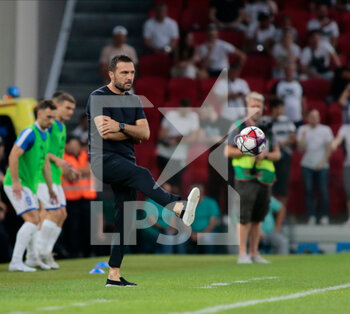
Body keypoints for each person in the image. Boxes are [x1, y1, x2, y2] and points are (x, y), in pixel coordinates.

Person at [86, 55, 200, 286]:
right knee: (142, 174)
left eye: (131, 73)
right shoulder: (97, 97)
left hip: (125, 160)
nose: (129, 77)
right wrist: (131, 131)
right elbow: (105, 133)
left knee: (125, 220)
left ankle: (113, 275)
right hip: (104, 160)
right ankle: (177, 205)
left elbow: (145, 134)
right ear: (111, 74)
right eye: (123, 73)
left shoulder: (134, 100)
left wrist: (119, 126)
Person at [225, 92, 281, 264]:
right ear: (247, 107)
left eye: (259, 106)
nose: (256, 109)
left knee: (258, 218)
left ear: (263, 108)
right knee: (244, 216)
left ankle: (254, 253)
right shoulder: (238, 127)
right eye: (253, 106)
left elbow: (278, 155)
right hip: (245, 177)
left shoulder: (269, 127)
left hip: (265, 177)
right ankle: (242, 254)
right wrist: (248, 149)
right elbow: (228, 151)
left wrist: (265, 156)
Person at [3, 100, 58, 272]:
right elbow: (13, 155)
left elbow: (45, 165)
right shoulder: (29, 133)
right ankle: (16, 261)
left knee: (37, 219)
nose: (51, 121)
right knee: (33, 219)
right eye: (48, 117)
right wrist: (16, 182)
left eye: (53, 118)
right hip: (17, 184)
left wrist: (50, 189)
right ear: (39, 114)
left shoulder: (46, 135)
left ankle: (33, 259)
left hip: (30, 185)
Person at [34, 92, 77, 270]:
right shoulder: (49, 126)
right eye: (67, 108)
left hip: (55, 176)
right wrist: (59, 161)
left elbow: (56, 154)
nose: (70, 112)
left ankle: (46, 251)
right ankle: (36, 253)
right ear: (56, 106)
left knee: (61, 214)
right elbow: (42, 151)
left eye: (72, 109)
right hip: (43, 176)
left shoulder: (62, 127)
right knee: (48, 214)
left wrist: (66, 168)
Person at [61, 136, 97, 257]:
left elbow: (93, 169)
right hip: (71, 199)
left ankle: (88, 252)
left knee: (89, 227)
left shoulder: (85, 155)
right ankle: (73, 252)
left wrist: (75, 171)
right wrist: (82, 170)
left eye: (77, 145)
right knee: (73, 228)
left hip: (87, 197)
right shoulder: (62, 157)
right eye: (72, 145)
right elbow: (69, 175)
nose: (75, 147)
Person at [297, 109, 334, 226]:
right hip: (307, 165)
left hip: (322, 165)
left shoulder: (325, 130)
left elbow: (329, 148)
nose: (315, 118)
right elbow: (300, 149)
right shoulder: (303, 129)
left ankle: (324, 216)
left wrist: (323, 162)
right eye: (312, 116)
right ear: (308, 118)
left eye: (317, 116)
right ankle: (311, 216)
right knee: (309, 191)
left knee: (323, 191)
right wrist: (303, 138)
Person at [157, 98, 199, 195]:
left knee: (176, 186)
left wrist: (176, 139)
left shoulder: (193, 117)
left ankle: (174, 205)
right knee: (167, 185)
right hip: (165, 154)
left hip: (179, 157)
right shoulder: (171, 115)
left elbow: (193, 138)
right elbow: (161, 136)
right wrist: (173, 140)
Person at [270, 98, 296, 207]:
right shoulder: (266, 121)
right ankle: (269, 215)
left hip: (284, 155)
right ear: (274, 109)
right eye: (281, 107)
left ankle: (282, 214)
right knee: (269, 184)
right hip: (270, 155)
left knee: (283, 186)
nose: (283, 110)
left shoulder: (287, 121)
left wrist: (283, 143)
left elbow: (293, 137)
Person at [139, 183, 177, 254]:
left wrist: (172, 229)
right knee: (168, 236)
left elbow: (173, 221)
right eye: (165, 191)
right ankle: (166, 259)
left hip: (166, 231)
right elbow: (152, 222)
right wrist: (166, 229)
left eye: (169, 192)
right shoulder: (150, 202)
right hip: (151, 231)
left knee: (175, 236)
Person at [187, 183, 220, 254]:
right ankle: (181, 259)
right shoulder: (185, 204)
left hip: (206, 232)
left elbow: (212, 224)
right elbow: (183, 222)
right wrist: (191, 234)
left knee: (208, 238)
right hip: (190, 233)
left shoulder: (211, 203)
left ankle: (209, 259)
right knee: (181, 237)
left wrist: (200, 234)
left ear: (201, 193)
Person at [331, 117, 350, 226]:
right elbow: (338, 139)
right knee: (349, 192)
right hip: (348, 165)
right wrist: (334, 144)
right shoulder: (345, 128)